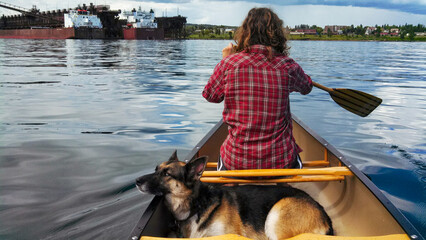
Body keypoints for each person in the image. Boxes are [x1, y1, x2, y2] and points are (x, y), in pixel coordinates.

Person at [202, 7, 312, 171]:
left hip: (237, 161)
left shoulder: (228, 64)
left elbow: (211, 95)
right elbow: (307, 87)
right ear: (277, 35)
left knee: (226, 156)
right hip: (280, 161)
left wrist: (225, 59)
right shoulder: (287, 66)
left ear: (245, 33)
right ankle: (282, 189)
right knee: (291, 159)